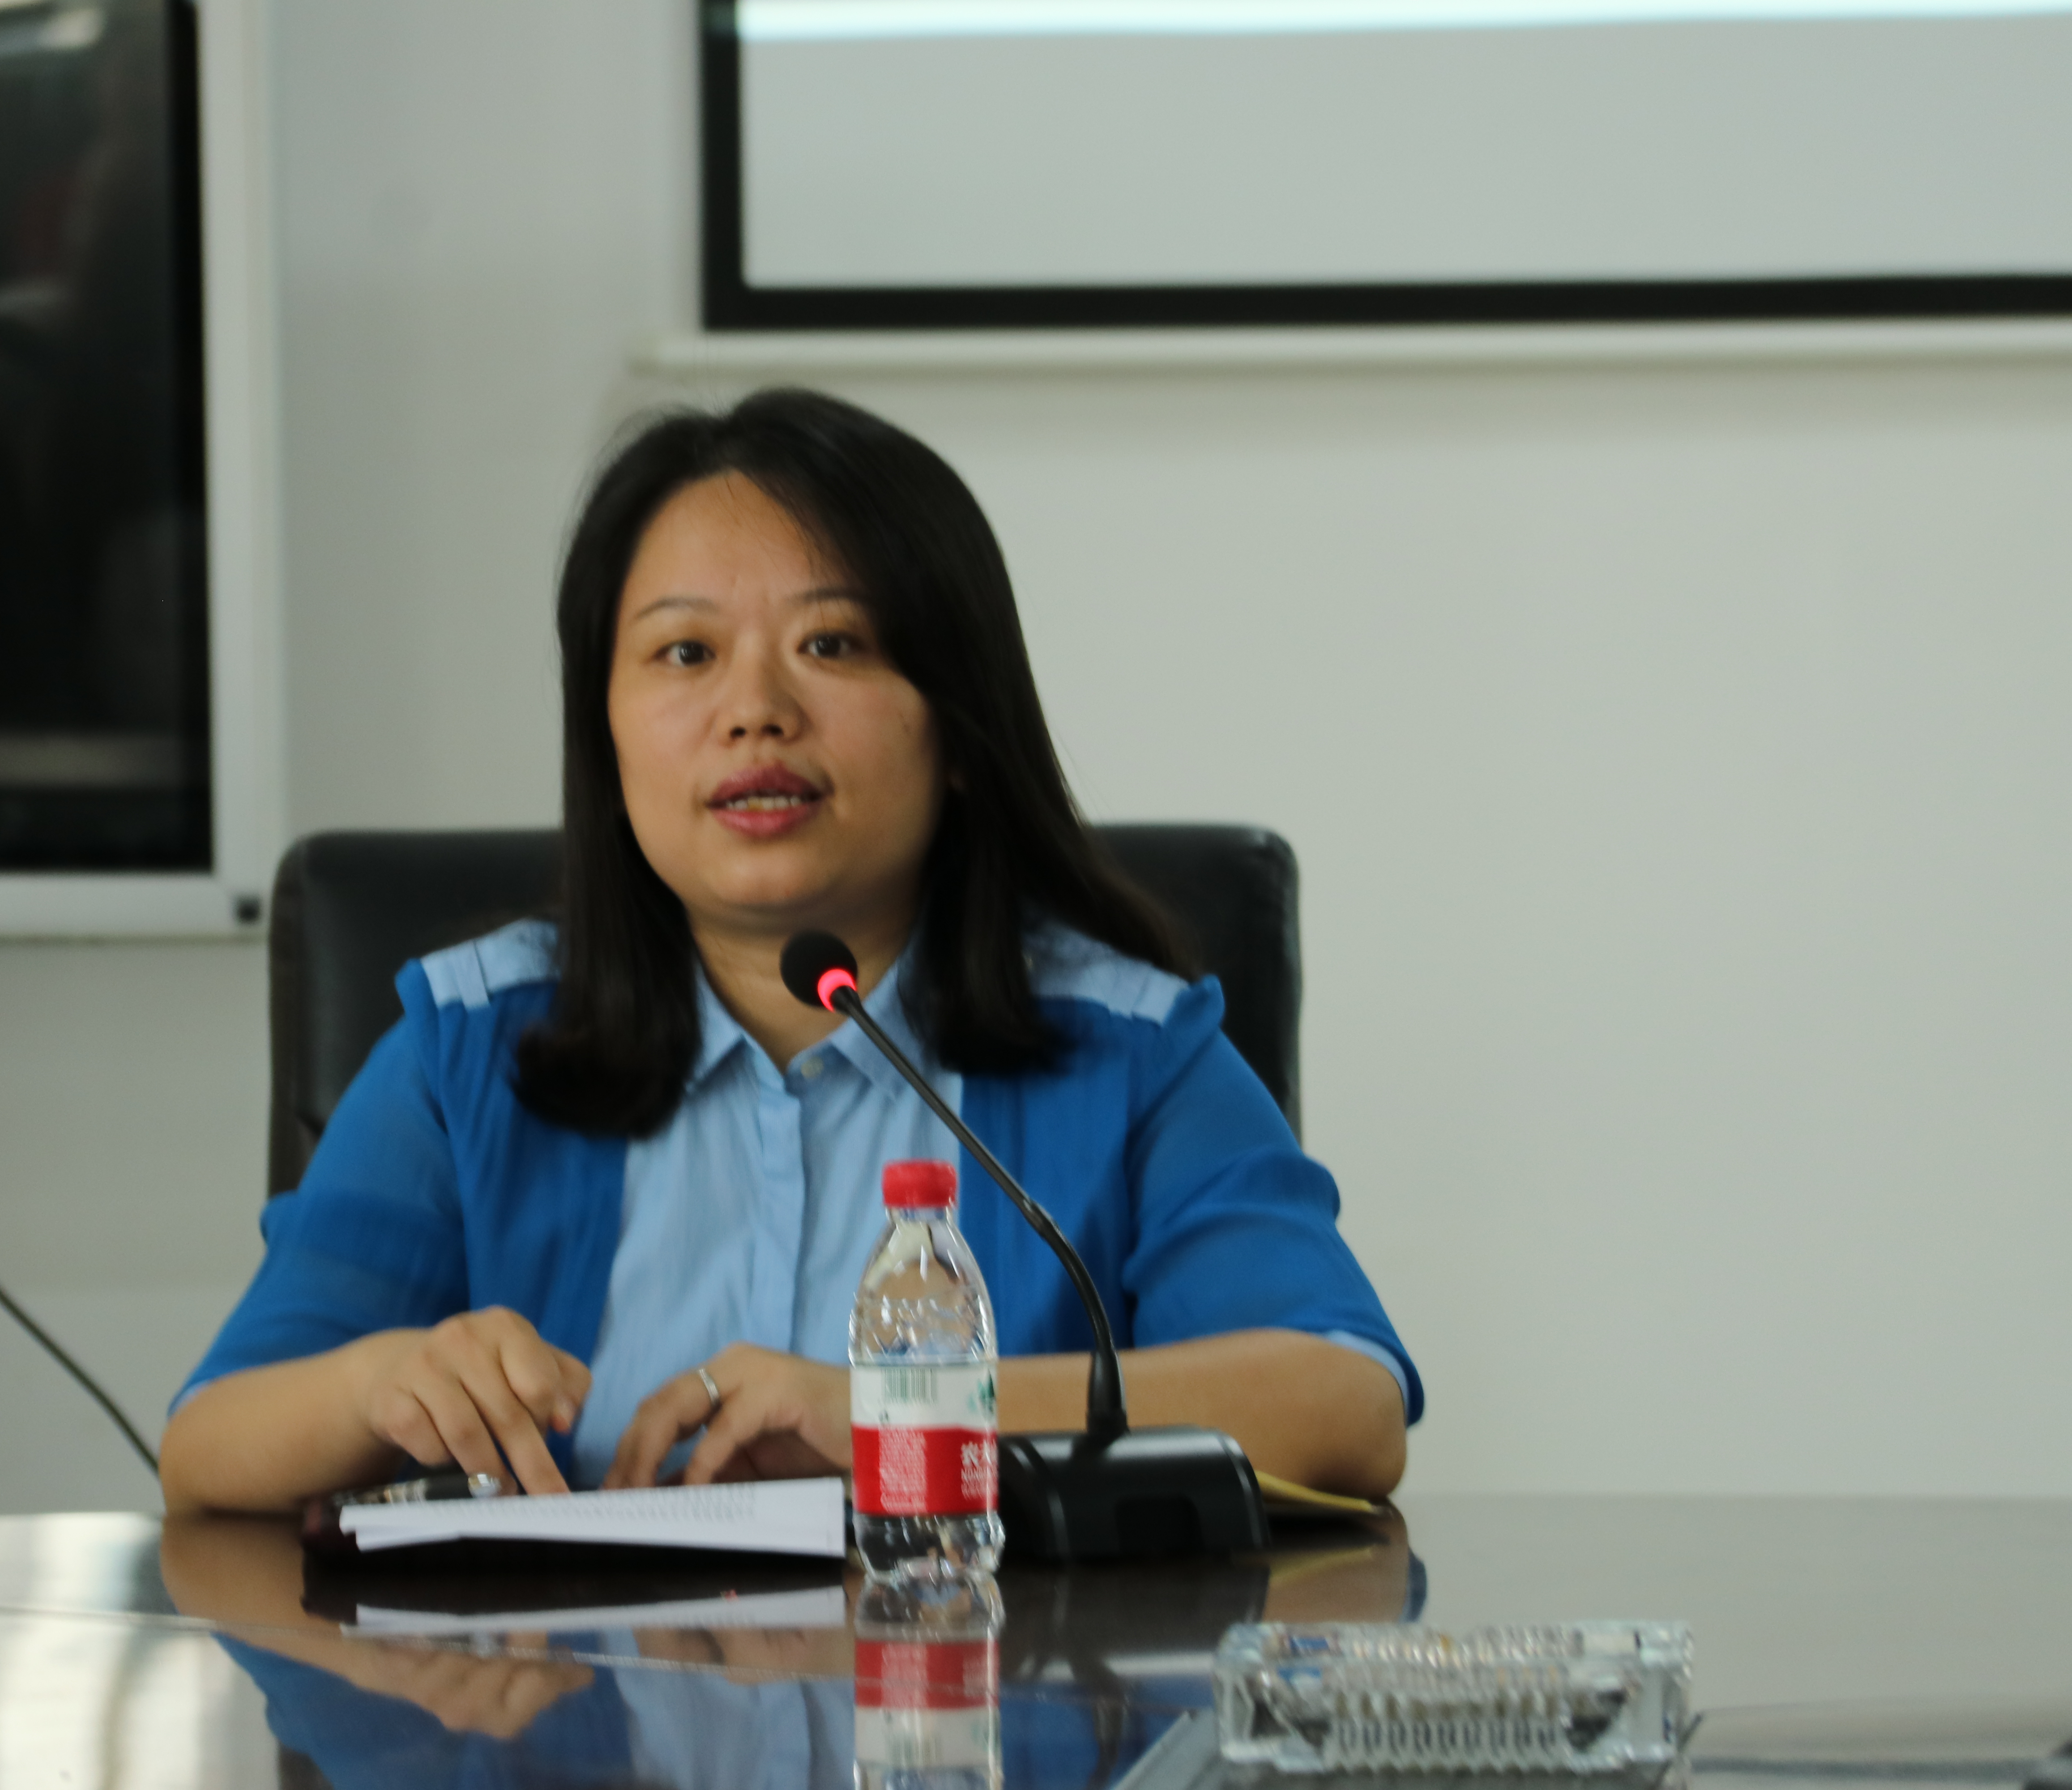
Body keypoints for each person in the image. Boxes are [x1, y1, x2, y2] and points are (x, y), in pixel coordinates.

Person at [160, 388, 1418, 1515]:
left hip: (994, 1690)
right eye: (685, 654)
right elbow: (210, 1446)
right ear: (607, 737)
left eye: (833, 645)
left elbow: (1343, 1404)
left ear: (960, 728)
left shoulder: (1128, 1052)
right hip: (573, 1703)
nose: (754, 710)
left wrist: (900, 1413)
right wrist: (384, 1380)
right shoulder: (473, 1049)